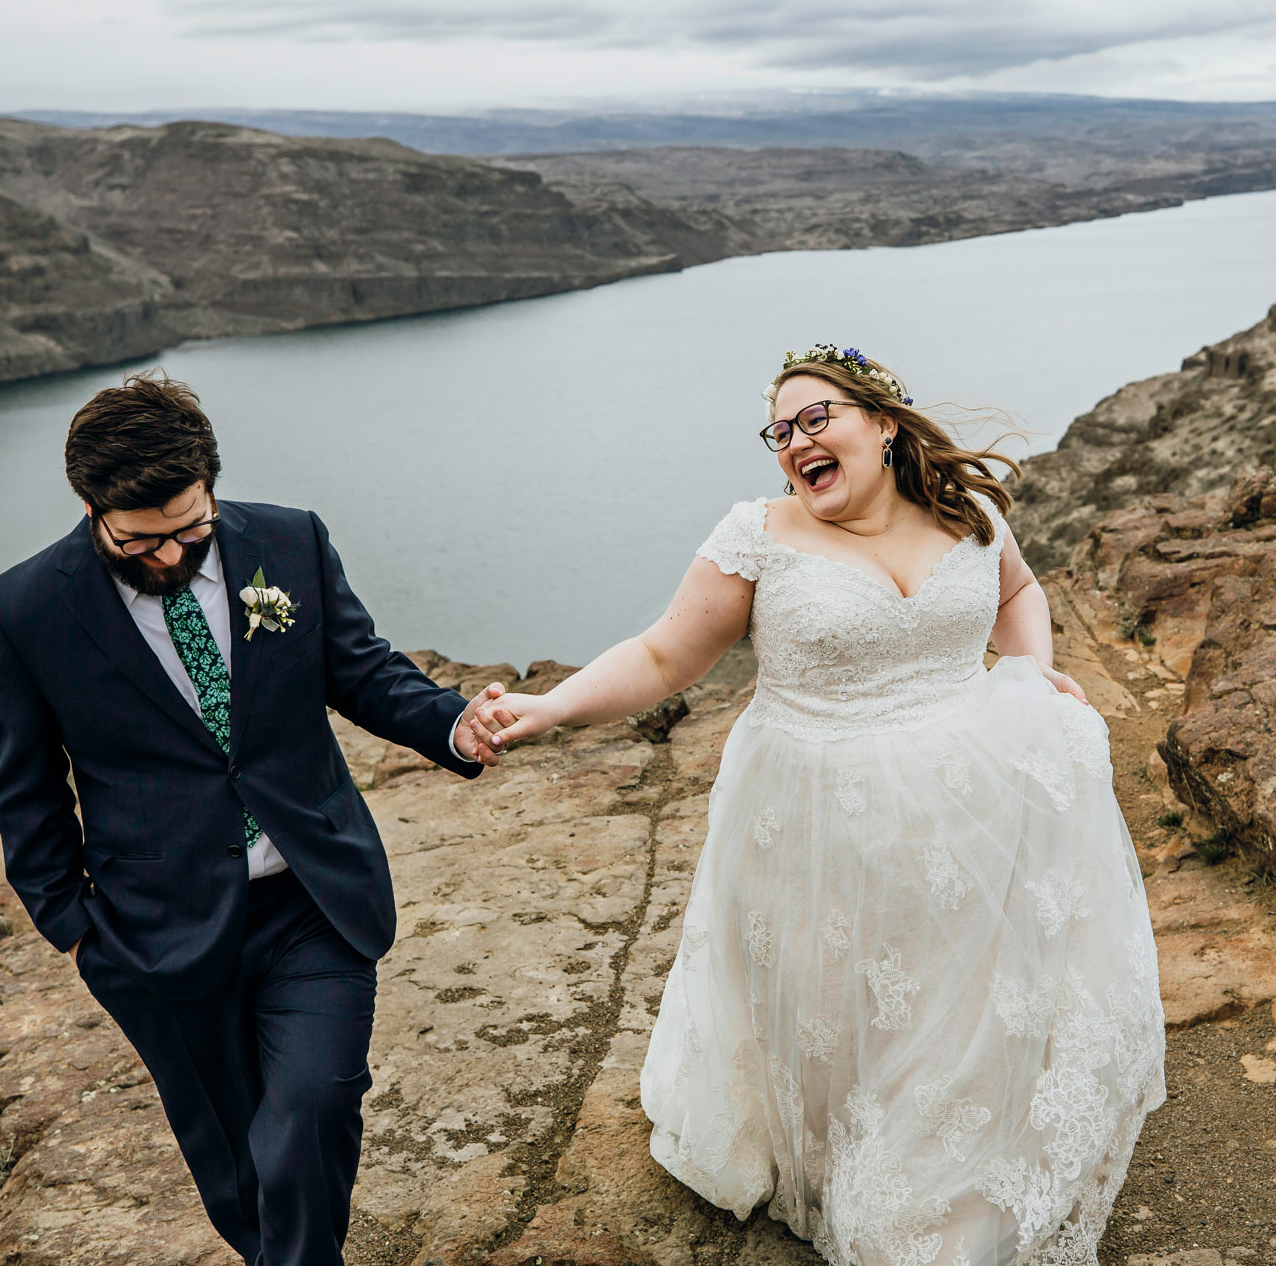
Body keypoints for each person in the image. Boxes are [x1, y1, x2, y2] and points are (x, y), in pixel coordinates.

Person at [467, 346, 1166, 1265]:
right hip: (819, 807)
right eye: (781, 432)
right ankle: (861, 1162)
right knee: (851, 1006)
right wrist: (548, 706)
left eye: (815, 418)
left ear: (881, 421)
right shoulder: (758, 535)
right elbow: (663, 658)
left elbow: (1019, 590)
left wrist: (1032, 674)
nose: (796, 442)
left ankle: (958, 1156)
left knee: (958, 995)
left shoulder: (968, 515)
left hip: (968, 790)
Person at [0, 373, 501, 1266]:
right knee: (233, 1164)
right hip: (155, 933)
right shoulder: (24, 610)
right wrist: (73, 929)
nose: (172, 556)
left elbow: (362, 670)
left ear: (210, 483)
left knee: (310, 1112)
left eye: (190, 528)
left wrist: (454, 722)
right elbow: (24, 790)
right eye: (140, 540)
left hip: (312, 899)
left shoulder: (289, 541)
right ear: (92, 506)